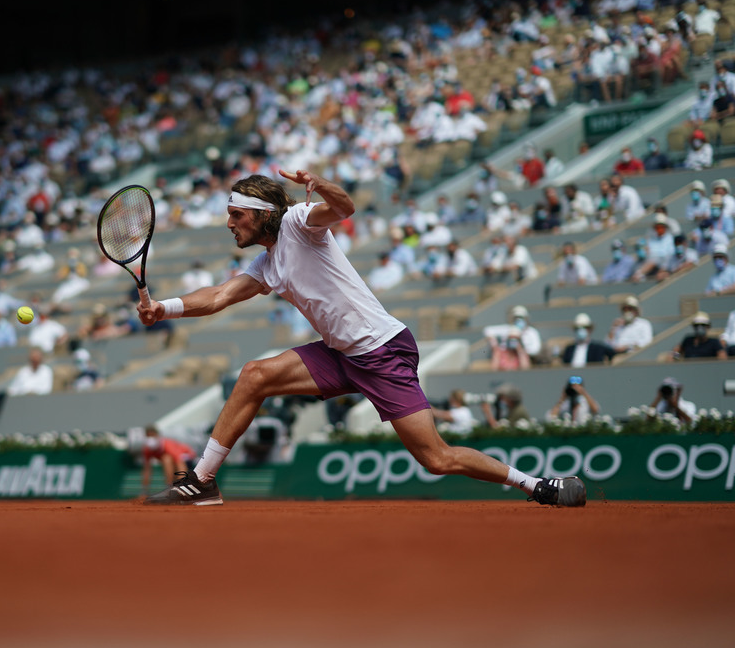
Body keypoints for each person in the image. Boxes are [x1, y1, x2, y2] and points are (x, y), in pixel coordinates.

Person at [137, 169, 585, 507]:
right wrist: (166, 308)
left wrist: (323, 183)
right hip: (339, 353)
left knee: (437, 459)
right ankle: (203, 481)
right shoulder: (266, 264)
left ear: (262, 214)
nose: (229, 223)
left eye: (236, 215)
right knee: (254, 375)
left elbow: (344, 209)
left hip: (382, 351)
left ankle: (537, 485)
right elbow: (217, 296)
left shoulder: (296, 222)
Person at [140, 425, 196, 493]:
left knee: (167, 459)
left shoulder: (168, 445)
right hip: (175, 462)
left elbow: (180, 463)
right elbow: (147, 469)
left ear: (157, 436)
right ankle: (170, 487)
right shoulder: (147, 449)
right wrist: (144, 490)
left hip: (187, 456)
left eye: (152, 436)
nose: (150, 438)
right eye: (148, 436)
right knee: (167, 459)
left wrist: (181, 486)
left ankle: (175, 487)